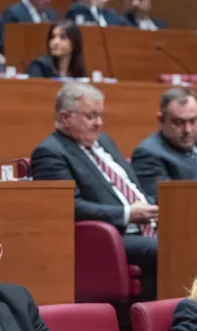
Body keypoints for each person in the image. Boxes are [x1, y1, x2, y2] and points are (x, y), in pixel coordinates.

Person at [30, 82, 158, 300]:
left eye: (100, 116)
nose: (99, 123)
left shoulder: (104, 142)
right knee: (166, 249)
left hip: (146, 225)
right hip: (111, 236)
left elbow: (131, 186)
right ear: (65, 117)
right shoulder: (50, 153)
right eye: (91, 116)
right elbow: (69, 207)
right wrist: (127, 214)